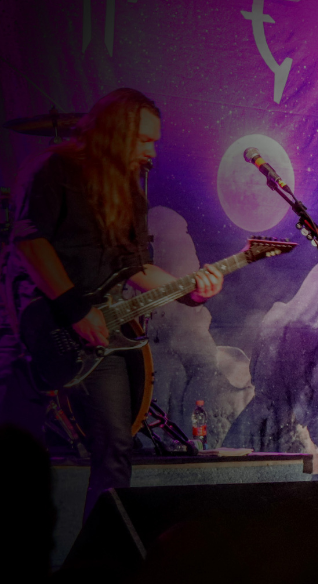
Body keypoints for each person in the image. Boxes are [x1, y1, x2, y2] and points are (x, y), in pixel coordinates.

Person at [10, 88, 224, 517]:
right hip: (39, 323)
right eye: (144, 139)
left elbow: (135, 269)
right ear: (114, 131)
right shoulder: (55, 168)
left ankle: (99, 552)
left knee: (115, 449)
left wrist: (190, 292)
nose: (152, 151)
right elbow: (29, 242)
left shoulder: (127, 192)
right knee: (16, 453)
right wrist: (75, 310)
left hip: (99, 333)